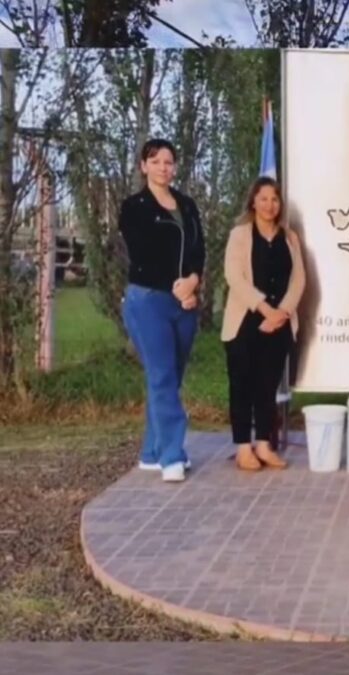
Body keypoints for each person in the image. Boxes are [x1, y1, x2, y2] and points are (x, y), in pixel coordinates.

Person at [119, 138, 205, 483]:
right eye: (155, 161)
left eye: (168, 162)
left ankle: (151, 452)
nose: (163, 168)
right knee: (162, 376)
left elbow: (198, 247)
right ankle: (172, 455)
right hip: (149, 300)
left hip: (185, 302)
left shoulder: (186, 204)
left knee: (171, 378)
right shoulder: (134, 206)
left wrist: (193, 282)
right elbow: (143, 253)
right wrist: (178, 285)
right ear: (143, 166)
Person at [221, 177, 306, 471]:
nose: (269, 205)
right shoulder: (240, 235)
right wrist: (264, 309)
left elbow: (299, 279)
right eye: (264, 198)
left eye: (274, 199)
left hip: (279, 324)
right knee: (242, 385)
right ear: (253, 202)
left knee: (267, 387)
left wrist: (281, 312)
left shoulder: (290, 237)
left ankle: (264, 445)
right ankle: (244, 448)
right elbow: (234, 276)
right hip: (246, 322)